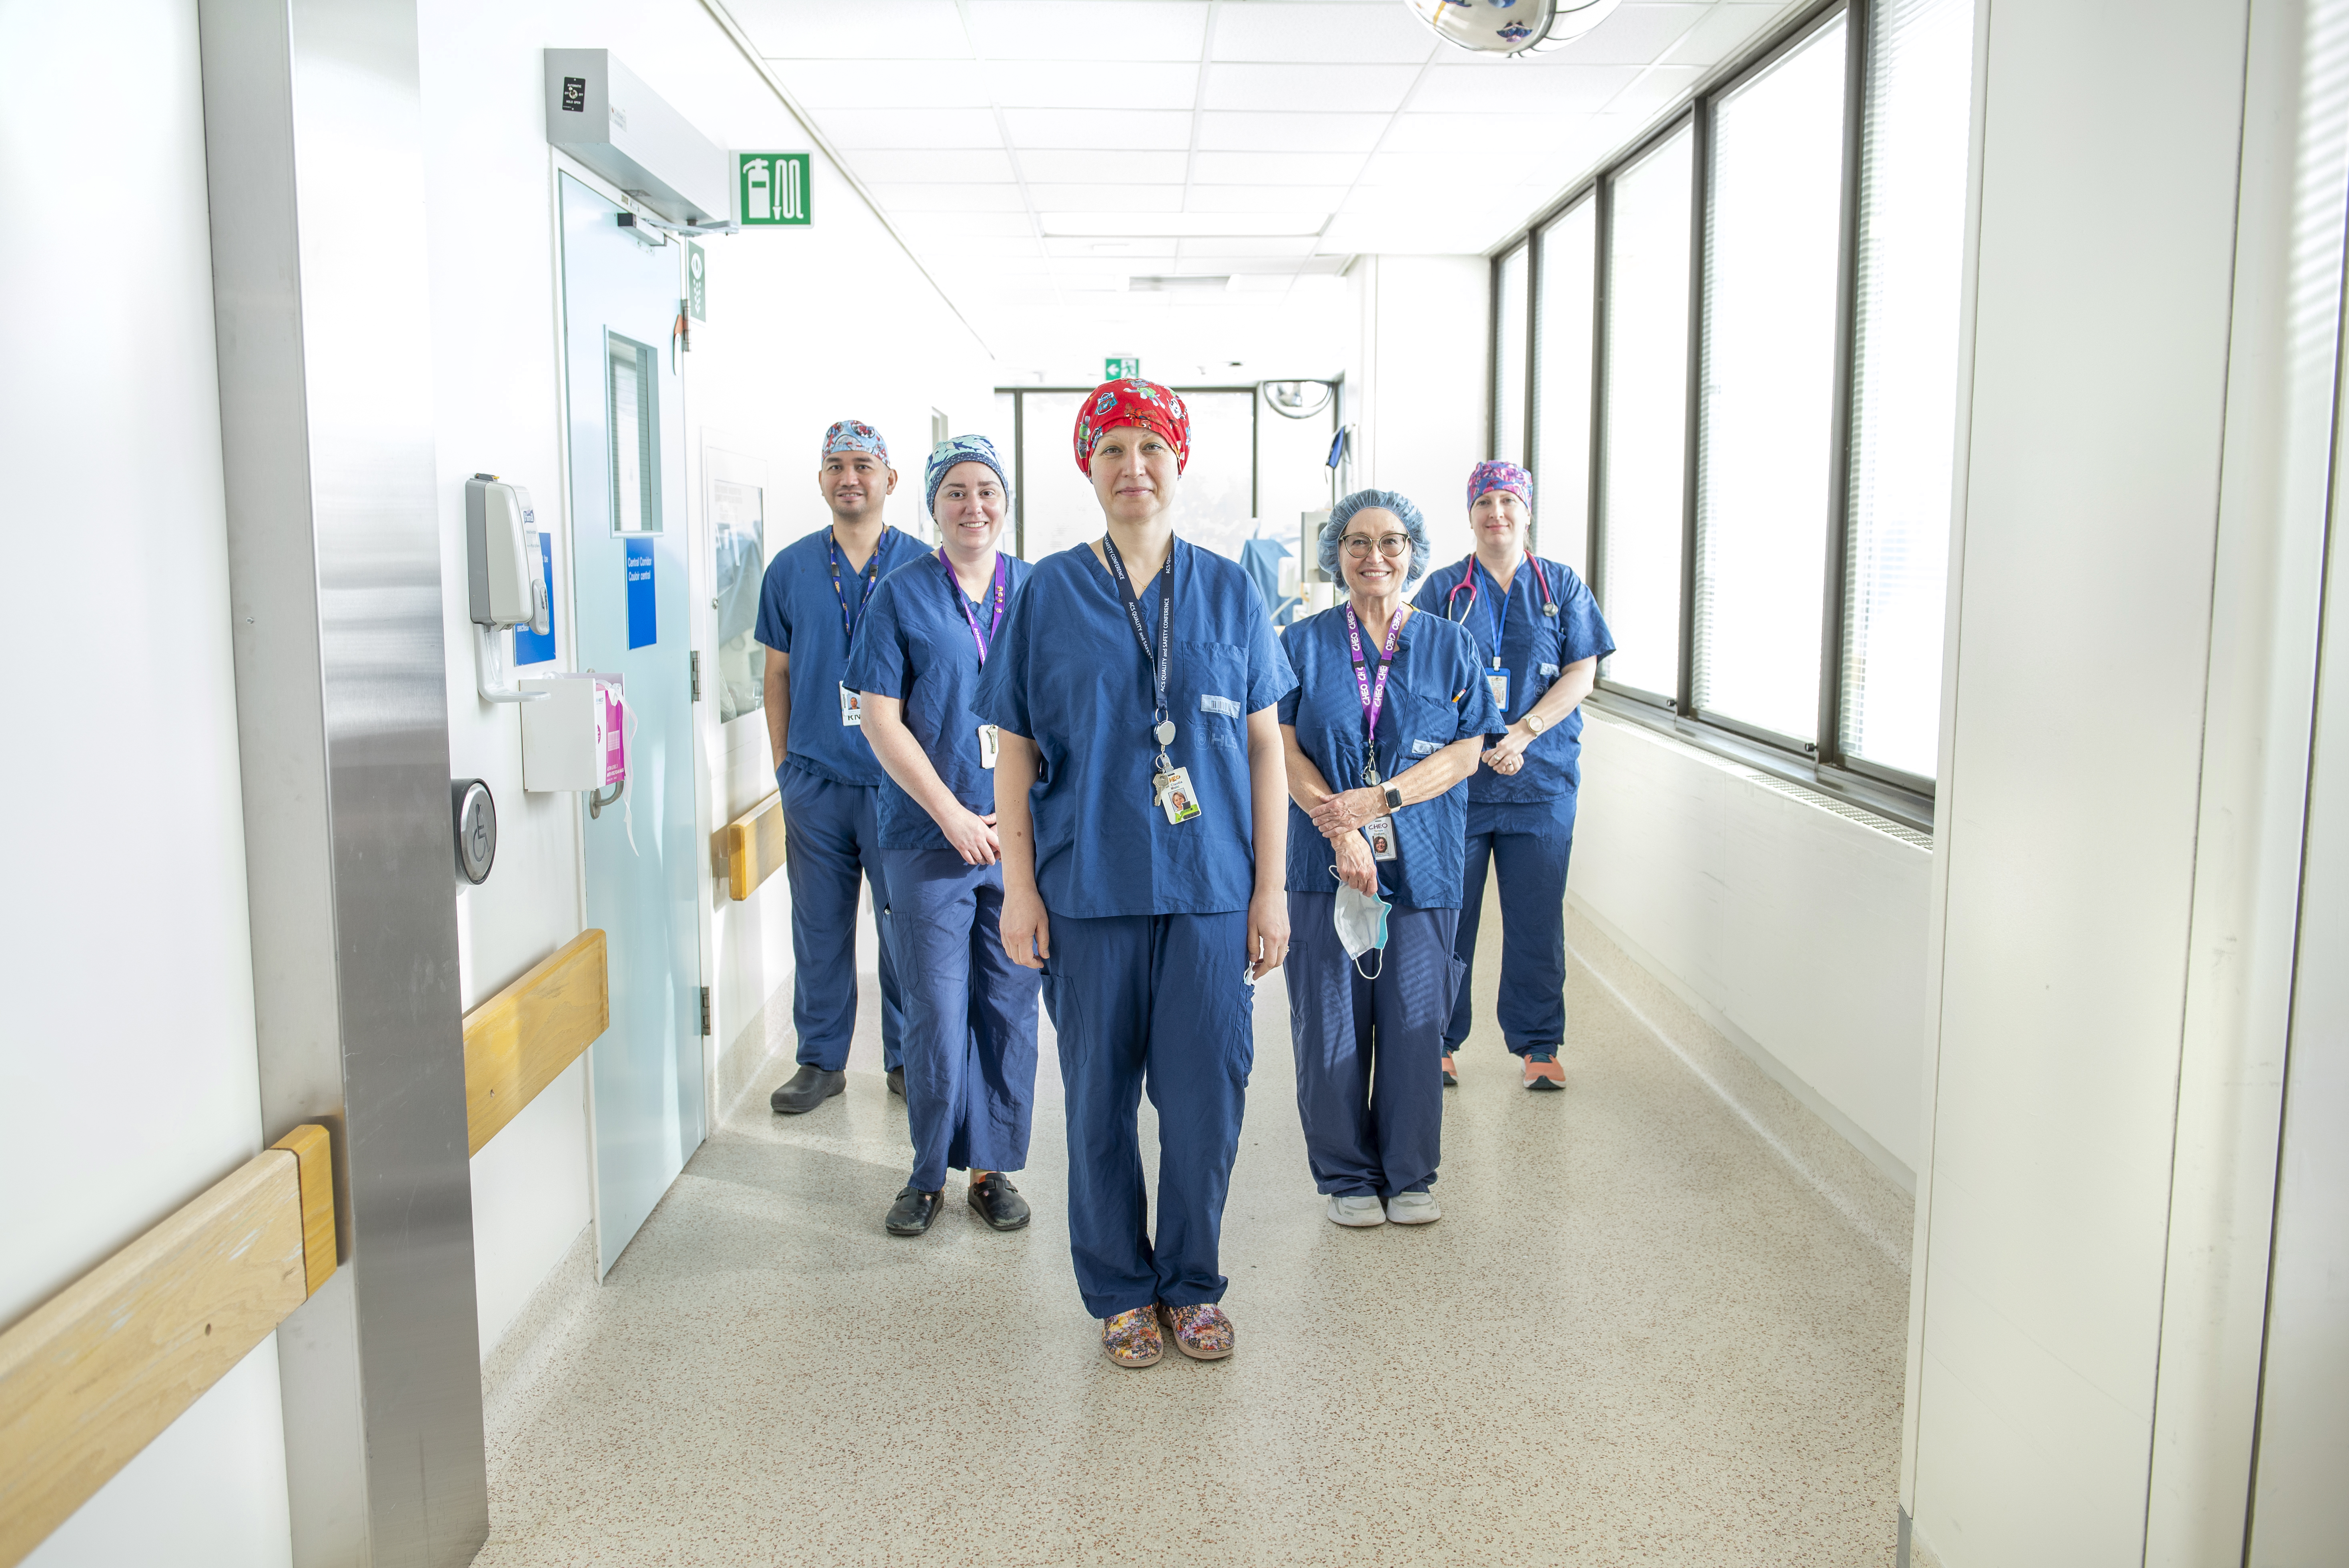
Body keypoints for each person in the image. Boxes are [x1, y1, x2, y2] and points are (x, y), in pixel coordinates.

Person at [972, 378, 1294, 1369]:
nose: (1133, 467)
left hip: (1207, 891)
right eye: (1112, 449)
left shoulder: (1230, 589)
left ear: (1179, 464)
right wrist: (1020, 889)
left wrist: (1271, 889)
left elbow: (1263, 751)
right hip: (1090, 890)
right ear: (1087, 468)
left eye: (1151, 447)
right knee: (1099, 1101)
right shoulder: (1047, 594)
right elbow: (1014, 751)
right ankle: (1119, 1289)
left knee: (1206, 1102)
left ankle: (1191, 1283)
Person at [1280, 490, 1503, 1226]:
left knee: (1414, 1018)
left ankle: (1409, 1173)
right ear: (1334, 554)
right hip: (1325, 862)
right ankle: (1345, 1174)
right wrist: (1339, 827)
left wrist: (1384, 802)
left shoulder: (1449, 644)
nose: (1374, 555)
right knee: (1330, 1019)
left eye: (1391, 541)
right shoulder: (1301, 644)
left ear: (1414, 552)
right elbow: (1280, 749)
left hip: (1426, 861)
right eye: (1356, 541)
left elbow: (1469, 749)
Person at [845, 436, 1041, 1237]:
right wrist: (951, 814)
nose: (974, 506)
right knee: (933, 1007)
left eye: (987, 490)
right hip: (928, 836)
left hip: (1022, 838)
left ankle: (991, 1170)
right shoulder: (899, 594)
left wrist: (1022, 815)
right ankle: (928, 1169)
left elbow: (1058, 708)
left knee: (1008, 1005)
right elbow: (878, 718)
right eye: (956, 491)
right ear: (932, 504)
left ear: (1006, 502)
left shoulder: (1036, 589)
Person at [1412, 461, 1614, 1091]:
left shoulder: (1560, 586)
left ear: (1526, 512)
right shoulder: (1445, 589)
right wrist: (1478, 744)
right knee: (1449, 917)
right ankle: (1439, 1042)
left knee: (1536, 919)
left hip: (1540, 782)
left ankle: (1537, 1045)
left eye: (1507, 501)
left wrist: (1523, 733)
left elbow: (1580, 673)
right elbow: (1421, 677)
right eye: (1484, 502)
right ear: (1469, 514)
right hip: (1461, 784)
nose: (1496, 513)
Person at [755, 420, 926, 1113]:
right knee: (819, 926)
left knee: (904, 928)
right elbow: (777, 674)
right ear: (821, 480)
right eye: (835, 465)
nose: (848, 477)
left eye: (862, 464)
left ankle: (908, 1058)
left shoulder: (922, 567)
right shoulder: (791, 569)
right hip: (817, 782)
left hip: (900, 786)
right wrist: (784, 767)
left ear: (890, 479)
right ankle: (821, 1061)